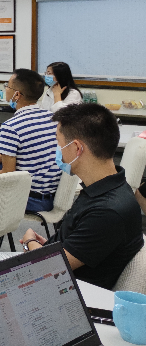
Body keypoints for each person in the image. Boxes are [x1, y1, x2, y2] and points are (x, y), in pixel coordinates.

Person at [21, 104, 144, 290]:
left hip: (64, 292)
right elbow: (86, 247)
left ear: (77, 148)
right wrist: (52, 246)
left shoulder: (108, 211)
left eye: (59, 143)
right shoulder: (109, 187)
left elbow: (50, 267)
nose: (58, 150)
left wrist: (30, 242)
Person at [0, 69, 61, 212]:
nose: (5, 89)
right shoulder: (53, 118)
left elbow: (9, 174)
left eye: (7, 86)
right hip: (53, 194)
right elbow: (23, 150)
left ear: (17, 94)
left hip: (30, 199)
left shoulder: (12, 126)